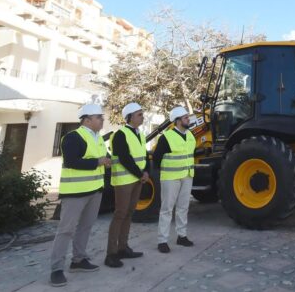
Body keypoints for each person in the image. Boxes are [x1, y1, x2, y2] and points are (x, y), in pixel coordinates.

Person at [50, 104, 110, 287]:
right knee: (66, 230)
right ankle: (56, 269)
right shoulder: (73, 137)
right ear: (86, 119)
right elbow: (72, 161)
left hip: (94, 190)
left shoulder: (98, 138)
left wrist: (107, 161)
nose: (102, 119)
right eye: (98, 116)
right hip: (75, 192)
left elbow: (105, 157)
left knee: (85, 227)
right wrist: (99, 161)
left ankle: (78, 260)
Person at [104, 102, 149, 267]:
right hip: (124, 181)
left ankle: (123, 248)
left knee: (129, 213)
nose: (142, 116)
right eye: (139, 114)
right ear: (129, 117)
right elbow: (124, 158)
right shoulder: (120, 134)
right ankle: (111, 254)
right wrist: (140, 174)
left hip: (137, 179)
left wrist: (146, 172)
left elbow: (144, 156)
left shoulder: (140, 134)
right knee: (120, 214)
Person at [153, 106, 196, 253]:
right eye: (185, 118)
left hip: (187, 175)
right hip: (170, 178)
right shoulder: (166, 137)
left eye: (187, 117)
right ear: (177, 121)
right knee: (167, 209)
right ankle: (162, 241)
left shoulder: (190, 135)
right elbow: (157, 158)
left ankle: (181, 236)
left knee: (183, 207)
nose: (188, 119)